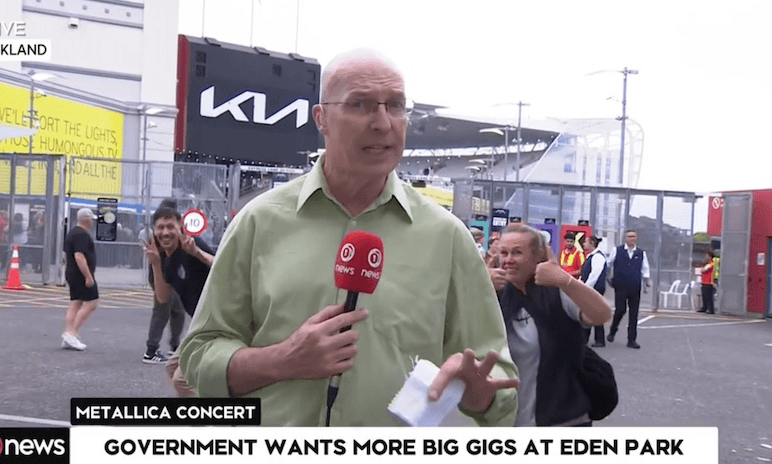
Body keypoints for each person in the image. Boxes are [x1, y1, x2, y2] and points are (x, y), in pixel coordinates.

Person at [179, 48, 520, 426]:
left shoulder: (447, 237)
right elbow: (198, 355)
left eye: (395, 105)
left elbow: (498, 381)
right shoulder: (259, 222)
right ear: (321, 118)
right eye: (360, 104)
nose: (382, 122)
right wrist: (282, 359)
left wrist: (480, 394)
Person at [493, 224, 612, 426]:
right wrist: (478, 285)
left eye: (517, 252)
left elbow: (602, 314)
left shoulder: (555, 292)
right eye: (503, 253)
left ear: (538, 256)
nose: (508, 260)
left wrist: (566, 281)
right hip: (507, 421)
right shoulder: (496, 294)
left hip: (562, 421)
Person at [144, 204, 215, 397]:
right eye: (160, 227)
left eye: (170, 227)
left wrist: (197, 254)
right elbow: (163, 297)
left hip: (216, 319)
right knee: (173, 367)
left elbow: (221, 264)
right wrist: (156, 264)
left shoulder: (191, 244)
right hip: (201, 321)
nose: (165, 232)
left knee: (181, 379)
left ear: (180, 228)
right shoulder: (161, 257)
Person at [62, 208, 99, 351]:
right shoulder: (81, 235)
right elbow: (79, 256)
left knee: (76, 303)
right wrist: (88, 277)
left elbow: (66, 255)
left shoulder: (71, 233)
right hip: (80, 274)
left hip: (72, 273)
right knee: (91, 303)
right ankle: (72, 333)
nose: (92, 222)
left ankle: (68, 333)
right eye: (91, 219)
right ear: (86, 219)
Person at [606, 229, 650, 349]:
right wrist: (608, 276)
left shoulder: (641, 253)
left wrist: (647, 283)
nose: (632, 239)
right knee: (620, 309)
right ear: (625, 238)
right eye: (629, 236)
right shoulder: (617, 250)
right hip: (620, 285)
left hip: (635, 286)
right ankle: (612, 330)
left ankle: (631, 340)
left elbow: (645, 269)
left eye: (634, 236)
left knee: (634, 313)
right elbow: (608, 263)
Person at [581, 235, 608, 347]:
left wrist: (586, 288)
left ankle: (596, 340)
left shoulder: (598, 257)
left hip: (595, 289)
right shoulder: (591, 256)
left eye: (586, 242)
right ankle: (592, 339)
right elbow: (586, 274)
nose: (583, 244)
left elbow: (594, 275)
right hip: (592, 289)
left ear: (592, 243)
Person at [697, 250, 716, 314]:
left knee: (709, 296)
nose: (706, 257)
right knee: (704, 295)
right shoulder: (707, 263)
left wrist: (702, 268)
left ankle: (710, 309)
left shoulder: (711, 263)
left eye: (707, 256)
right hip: (704, 281)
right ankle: (704, 307)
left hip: (708, 281)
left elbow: (704, 269)